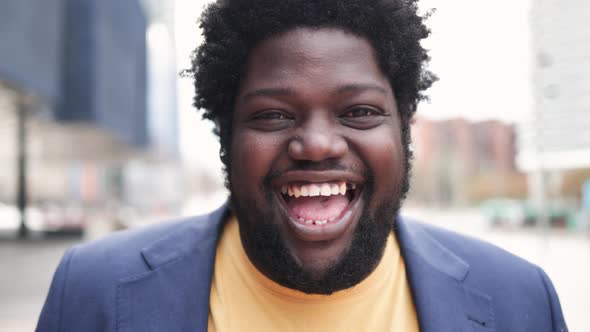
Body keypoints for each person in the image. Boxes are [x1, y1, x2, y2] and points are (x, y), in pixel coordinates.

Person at [37, 0, 568, 331]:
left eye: (358, 111)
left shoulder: (520, 301)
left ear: (404, 127)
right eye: (273, 115)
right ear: (227, 136)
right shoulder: (91, 295)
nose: (315, 145)